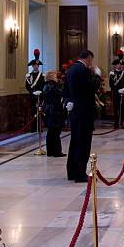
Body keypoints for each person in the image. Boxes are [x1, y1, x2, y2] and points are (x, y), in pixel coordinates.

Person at [64, 50, 97, 183]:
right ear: (88, 58)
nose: (91, 63)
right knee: (83, 143)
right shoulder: (83, 70)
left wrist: (69, 103)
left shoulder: (71, 70)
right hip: (84, 112)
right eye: (91, 60)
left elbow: (65, 91)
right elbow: (92, 87)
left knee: (74, 142)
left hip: (75, 111)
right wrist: (97, 75)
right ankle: (80, 173)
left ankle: (71, 171)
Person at [43, 71, 65, 157]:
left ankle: (50, 151)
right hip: (54, 110)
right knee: (56, 132)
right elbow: (61, 93)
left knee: (51, 132)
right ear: (52, 77)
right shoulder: (52, 86)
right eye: (55, 76)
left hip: (48, 110)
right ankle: (56, 152)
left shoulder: (45, 85)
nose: (57, 77)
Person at [109, 50, 124, 129]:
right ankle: (116, 123)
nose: (119, 66)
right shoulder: (112, 74)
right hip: (115, 93)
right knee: (115, 108)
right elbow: (111, 84)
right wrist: (116, 90)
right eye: (117, 64)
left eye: (120, 64)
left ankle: (121, 123)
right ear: (115, 65)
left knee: (122, 108)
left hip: (122, 94)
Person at [26, 49, 45, 131]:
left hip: (40, 96)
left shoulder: (42, 75)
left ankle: (39, 128)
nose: (36, 66)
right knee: (33, 111)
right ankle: (33, 128)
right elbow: (27, 86)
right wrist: (32, 92)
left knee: (39, 111)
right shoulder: (28, 76)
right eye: (34, 65)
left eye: (37, 65)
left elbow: (43, 85)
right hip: (32, 96)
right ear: (32, 66)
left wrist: (40, 91)